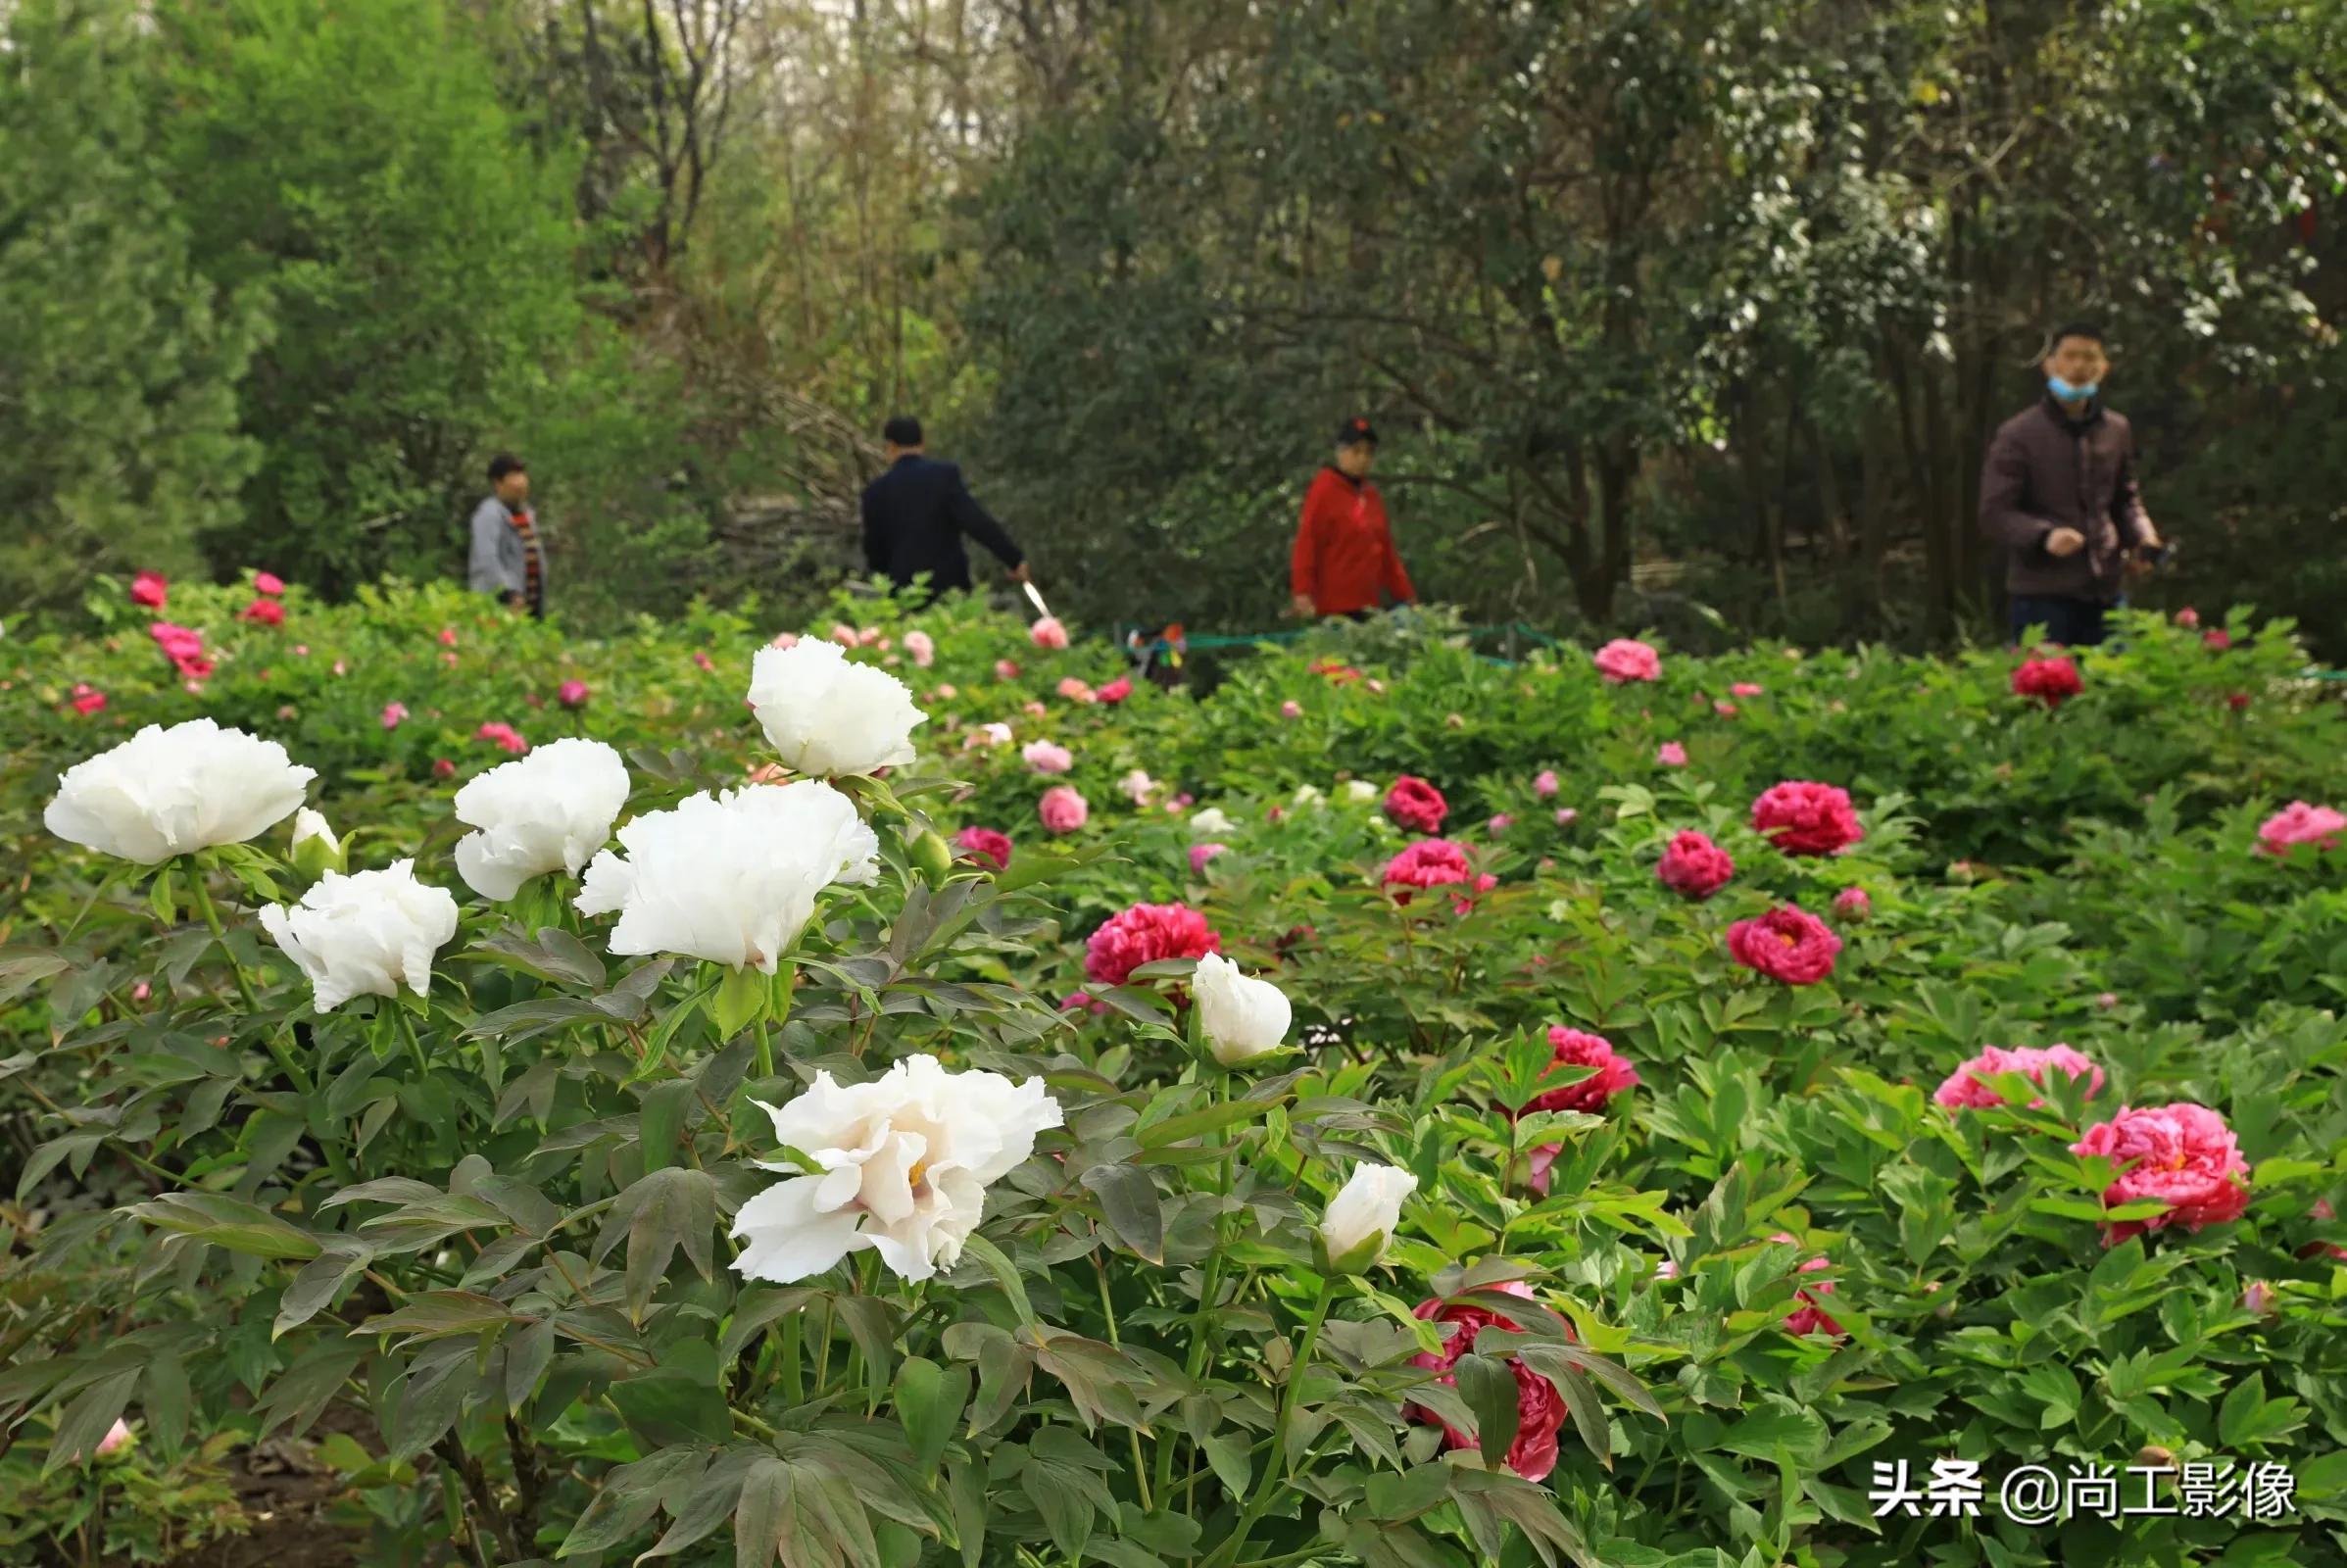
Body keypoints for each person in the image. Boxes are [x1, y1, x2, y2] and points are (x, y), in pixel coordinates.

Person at [1979, 322, 2164, 647]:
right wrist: (2044, 536)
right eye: (2070, 356)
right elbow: (1995, 512)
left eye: (2089, 357)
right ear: (2050, 365)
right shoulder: (2019, 433)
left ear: (2103, 368)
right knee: (2044, 691)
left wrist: (2144, 537)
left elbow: (2125, 498)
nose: (2079, 366)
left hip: (2105, 590)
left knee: (2116, 689)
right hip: (2042, 593)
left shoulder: (2116, 429)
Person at [860, 416, 1028, 598]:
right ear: (923, 443)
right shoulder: (945, 476)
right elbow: (977, 522)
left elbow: (874, 553)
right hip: (949, 588)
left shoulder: (875, 492)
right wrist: (1014, 560)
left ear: (890, 446)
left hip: (903, 592)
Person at [1291, 416, 1416, 621]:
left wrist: (1405, 594)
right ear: (1340, 452)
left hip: (1369, 605)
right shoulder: (1324, 491)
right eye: (1356, 451)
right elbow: (1307, 542)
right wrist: (1302, 591)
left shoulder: (1371, 496)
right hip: (1334, 606)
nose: (1362, 458)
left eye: (1368, 453)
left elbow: (1386, 552)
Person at [466, 454, 545, 618]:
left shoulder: (527, 515)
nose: (521, 482)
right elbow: (486, 558)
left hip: (530, 606)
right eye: (514, 476)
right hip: (502, 606)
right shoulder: (488, 514)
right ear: (498, 483)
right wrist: (508, 593)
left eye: (521, 475)